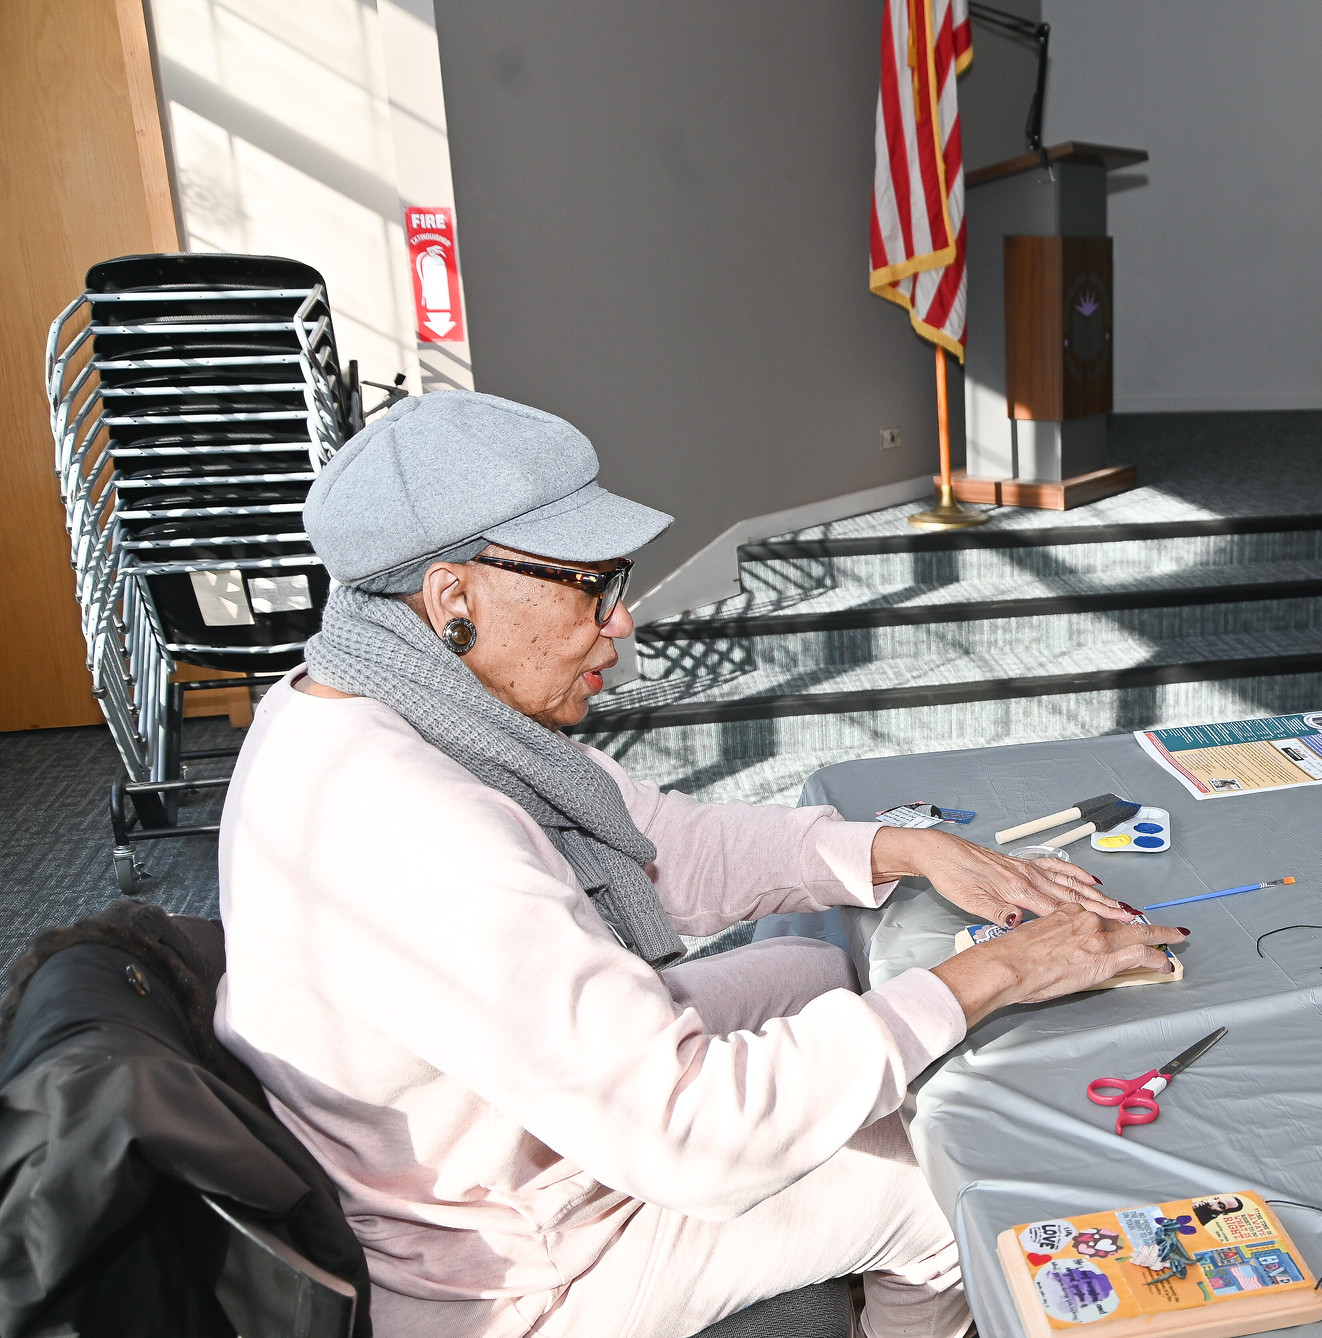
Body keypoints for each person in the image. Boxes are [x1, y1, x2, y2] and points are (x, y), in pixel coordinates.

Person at [214, 392, 1187, 1338]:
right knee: (949, 1190)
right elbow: (688, 1139)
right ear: (454, 595)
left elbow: (661, 847)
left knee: (821, 968)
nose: (622, 620)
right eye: (592, 586)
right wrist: (998, 971)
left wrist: (902, 847)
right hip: (517, 1276)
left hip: (526, 1140)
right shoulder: (414, 827)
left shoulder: (385, 700)